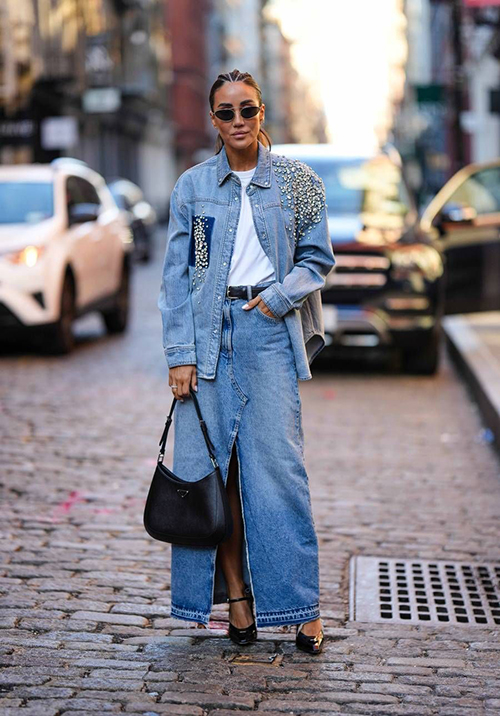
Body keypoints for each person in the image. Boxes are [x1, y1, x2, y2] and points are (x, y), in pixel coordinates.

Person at [157, 68, 335, 654]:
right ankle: (238, 600)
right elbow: (181, 276)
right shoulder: (193, 187)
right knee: (215, 476)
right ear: (213, 120)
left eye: (247, 109)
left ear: (263, 113)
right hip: (207, 341)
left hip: (265, 334)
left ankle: (301, 607)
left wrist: (279, 297)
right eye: (226, 112)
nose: (238, 121)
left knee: (279, 472)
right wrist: (180, 355)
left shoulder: (298, 181)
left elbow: (317, 258)